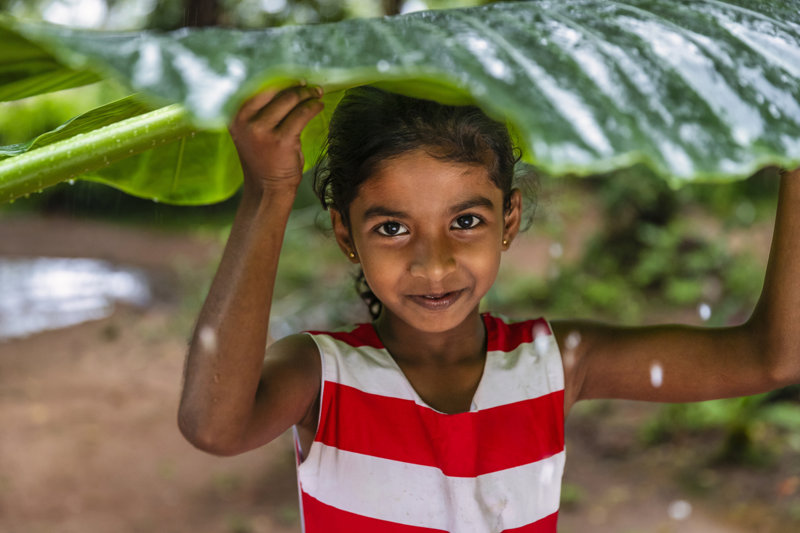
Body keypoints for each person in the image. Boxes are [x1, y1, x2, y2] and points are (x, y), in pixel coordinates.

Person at [178, 83, 800, 532]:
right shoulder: (323, 378)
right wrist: (269, 195)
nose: (434, 263)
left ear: (509, 220)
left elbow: (770, 357)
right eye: (393, 228)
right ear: (346, 235)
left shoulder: (558, 364)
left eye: (466, 221)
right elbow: (215, 426)